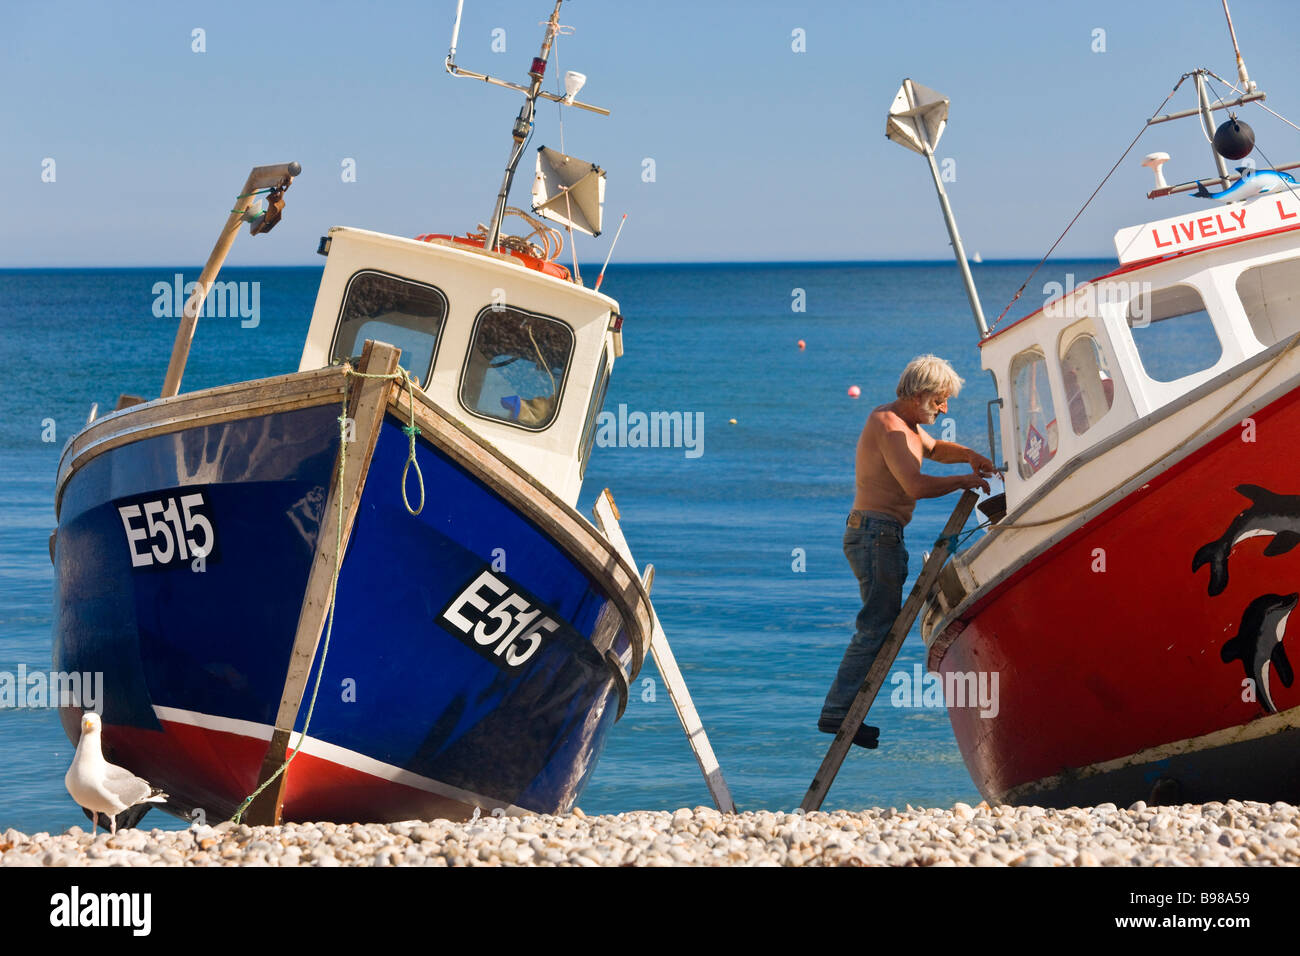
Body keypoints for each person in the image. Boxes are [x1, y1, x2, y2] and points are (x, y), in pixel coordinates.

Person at [819, 355, 997, 748]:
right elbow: (915, 485)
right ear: (919, 395)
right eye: (939, 401)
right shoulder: (888, 425)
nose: (944, 408)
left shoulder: (911, 428)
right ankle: (838, 712)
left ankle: (847, 712)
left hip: (881, 534)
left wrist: (970, 455)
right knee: (876, 627)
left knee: (879, 627)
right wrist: (963, 480)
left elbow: (935, 449)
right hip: (875, 534)